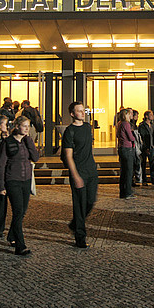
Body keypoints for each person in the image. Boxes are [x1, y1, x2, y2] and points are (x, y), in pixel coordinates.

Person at [0, 116, 39, 256]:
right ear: (17, 126)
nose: (27, 128)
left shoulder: (27, 141)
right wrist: (1, 186)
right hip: (13, 180)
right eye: (24, 126)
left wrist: (28, 140)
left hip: (26, 180)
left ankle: (11, 236)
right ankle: (20, 246)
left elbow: (36, 157)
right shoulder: (7, 142)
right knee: (18, 211)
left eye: (29, 126)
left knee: (22, 211)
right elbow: (1, 164)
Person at [62, 101, 99, 249]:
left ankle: (75, 224)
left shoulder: (87, 127)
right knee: (79, 205)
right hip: (79, 172)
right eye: (79, 111)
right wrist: (75, 175)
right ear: (72, 114)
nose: (83, 113)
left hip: (91, 170)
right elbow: (68, 156)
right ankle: (80, 237)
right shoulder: (69, 131)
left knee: (90, 201)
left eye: (83, 110)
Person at [116, 108, 136, 199]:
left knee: (123, 171)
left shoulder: (119, 123)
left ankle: (122, 192)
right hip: (127, 148)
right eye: (129, 114)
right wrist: (134, 138)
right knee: (128, 171)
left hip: (121, 148)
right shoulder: (126, 124)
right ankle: (128, 192)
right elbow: (130, 137)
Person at [138, 110, 154, 185]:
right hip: (145, 147)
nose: (152, 116)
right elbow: (142, 137)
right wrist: (146, 147)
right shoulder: (142, 126)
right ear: (146, 116)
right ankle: (144, 180)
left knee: (152, 163)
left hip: (152, 147)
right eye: (151, 115)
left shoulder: (152, 125)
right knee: (143, 164)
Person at [130, 109, 143, 186]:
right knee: (134, 164)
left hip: (136, 147)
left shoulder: (135, 125)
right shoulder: (131, 125)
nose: (137, 117)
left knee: (137, 163)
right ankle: (133, 179)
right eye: (136, 115)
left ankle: (135, 179)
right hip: (133, 147)